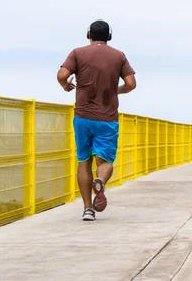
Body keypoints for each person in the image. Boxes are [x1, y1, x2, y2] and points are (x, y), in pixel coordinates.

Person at [57, 20, 136, 221]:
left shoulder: (77, 52)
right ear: (109, 36)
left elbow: (62, 75)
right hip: (107, 118)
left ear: (88, 35)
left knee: (84, 161)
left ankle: (87, 210)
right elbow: (131, 84)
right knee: (105, 161)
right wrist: (116, 91)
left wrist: (66, 85)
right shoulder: (119, 56)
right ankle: (100, 180)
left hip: (82, 116)